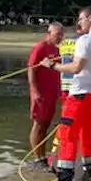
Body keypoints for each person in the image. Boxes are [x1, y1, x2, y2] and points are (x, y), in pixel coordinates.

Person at [39, 6, 91, 181]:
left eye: (81, 19)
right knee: (87, 134)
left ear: (90, 18)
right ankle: (90, 173)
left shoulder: (85, 41)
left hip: (80, 94)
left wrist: (52, 65)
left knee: (67, 135)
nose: (79, 23)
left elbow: (76, 68)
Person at [26, 22, 64, 166]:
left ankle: (42, 156)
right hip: (40, 93)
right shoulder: (41, 47)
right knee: (38, 124)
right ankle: (37, 157)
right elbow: (31, 69)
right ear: (49, 33)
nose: (60, 37)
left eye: (61, 34)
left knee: (46, 125)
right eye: (57, 34)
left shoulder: (56, 49)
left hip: (52, 93)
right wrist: (35, 91)